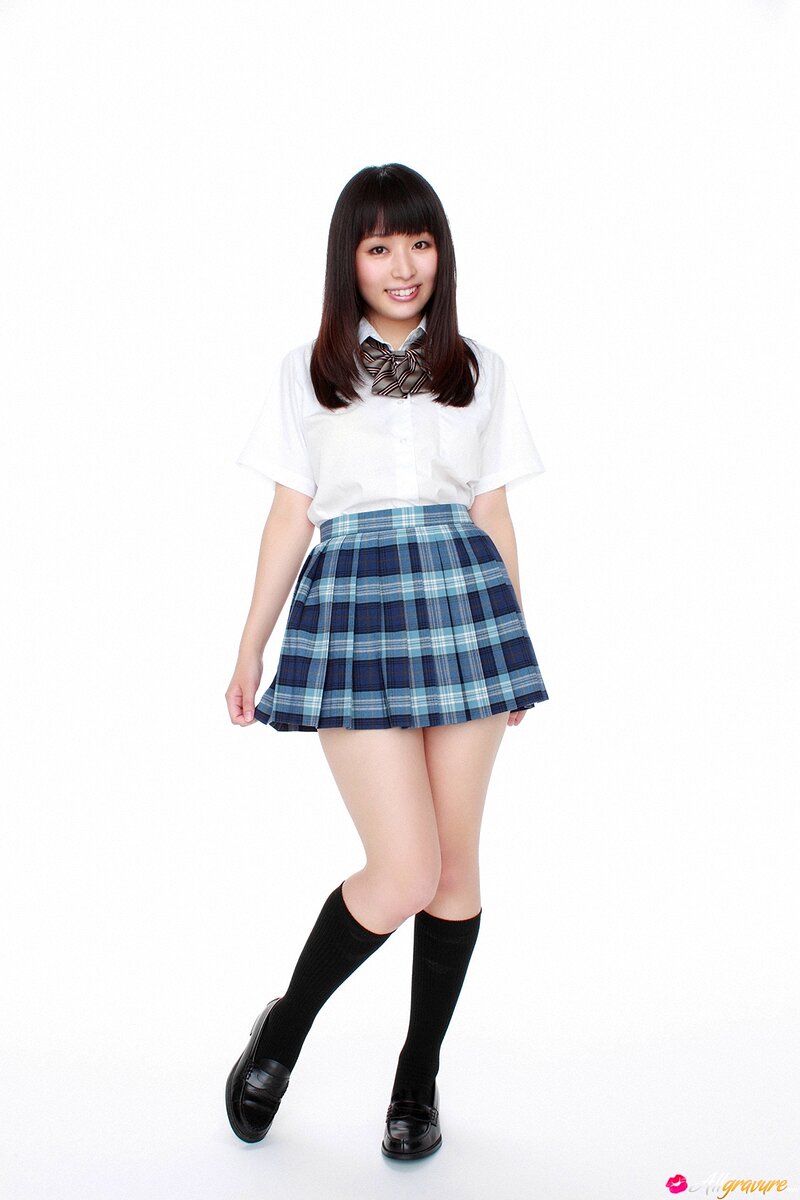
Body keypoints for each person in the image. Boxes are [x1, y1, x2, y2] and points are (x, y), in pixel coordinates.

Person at [224, 162, 549, 1161]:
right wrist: (249, 645)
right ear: (349, 261)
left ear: (439, 252)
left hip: (463, 605)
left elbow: (493, 510)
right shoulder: (306, 370)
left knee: (453, 870)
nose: (402, 265)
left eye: (418, 242)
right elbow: (289, 515)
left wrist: (514, 646)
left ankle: (418, 1077)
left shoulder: (479, 367)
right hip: (354, 609)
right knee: (404, 868)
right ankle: (282, 1033)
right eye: (378, 247)